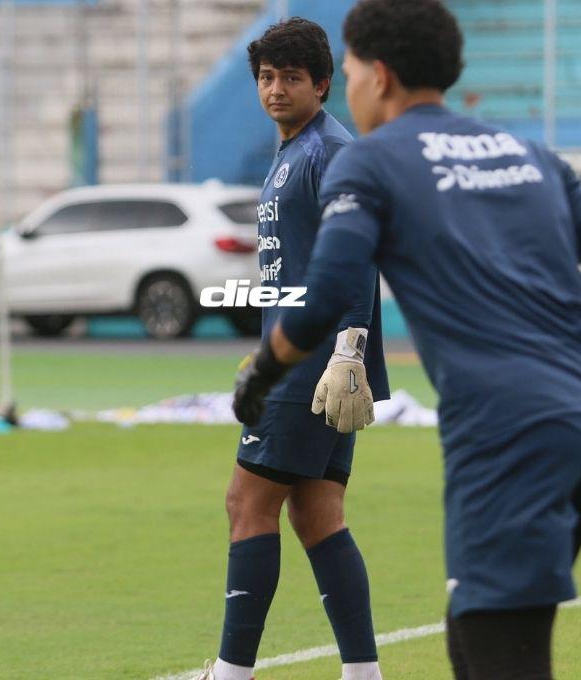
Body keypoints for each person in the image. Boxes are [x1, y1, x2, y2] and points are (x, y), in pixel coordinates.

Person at [232, 1, 581, 678]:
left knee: (500, 652)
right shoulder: (528, 154)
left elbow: (328, 290)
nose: (348, 87)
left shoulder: (370, 162)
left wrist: (262, 372)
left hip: (509, 433)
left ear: (378, 75)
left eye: (349, 71)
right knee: (478, 630)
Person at [197, 17, 390, 680]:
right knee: (316, 514)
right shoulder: (294, 152)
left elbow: (357, 255)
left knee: (246, 503)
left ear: (323, 83)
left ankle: (231, 674)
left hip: (315, 365)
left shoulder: (327, 152)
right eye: (266, 77)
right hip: (304, 359)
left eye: (291, 77)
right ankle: (363, 674)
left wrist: (348, 350)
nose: (276, 89)